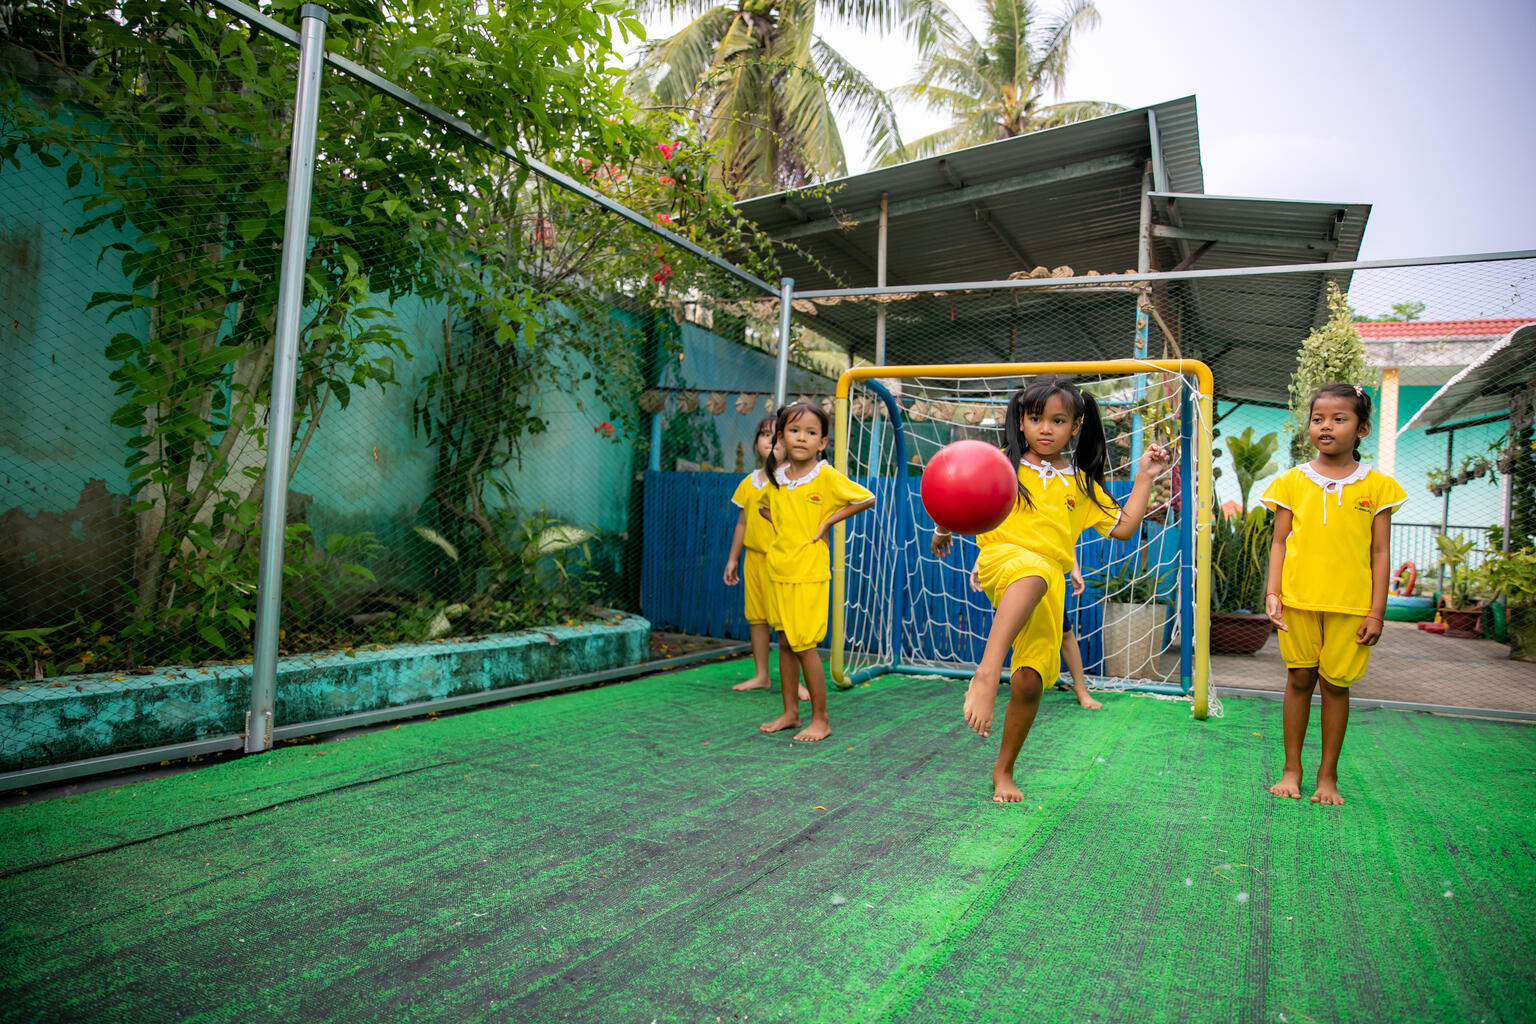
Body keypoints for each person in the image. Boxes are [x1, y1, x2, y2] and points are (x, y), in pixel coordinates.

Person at [932, 375, 1170, 802]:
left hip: (1045, 586)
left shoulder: (1079, 483)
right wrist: (943, 526)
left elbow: (1125, 526)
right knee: (1035, 568)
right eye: (1036, 418)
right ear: (1021, 421)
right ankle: (986, 674)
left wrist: (1145, 477)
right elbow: (961, 488)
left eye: (1058, 421)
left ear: (1075, 426)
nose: (1045, 428)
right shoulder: (1003, 464)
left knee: (1030, 681)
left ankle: (1003, 770)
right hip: (1001, 563)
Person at [1261, 383, 1405, 806]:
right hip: (1298, 601)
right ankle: (1292, 770)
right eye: (1318, 419)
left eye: (1339, 419)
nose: (1326, 427)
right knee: (1299, 678)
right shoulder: (1290, 482)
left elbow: (1380, 552)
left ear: (1361, 430)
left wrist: (1377, 612)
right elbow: (1280, 543)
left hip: (1352, 606)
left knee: (1336, 686)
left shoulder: (1379, 487)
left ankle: (1328, 776)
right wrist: (1273, 592)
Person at [753, 401, 875, 742]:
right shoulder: (776, 478)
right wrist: (785, 530)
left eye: (811, 432)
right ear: (781, 437)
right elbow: (764, 508)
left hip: (809, 573)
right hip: (779, 569)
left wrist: (826, 522)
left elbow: (866, 498)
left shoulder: (825, 475)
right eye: (794, 431)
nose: (802, 438)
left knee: (805, 645)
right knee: (786, 643)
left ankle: (820, 718)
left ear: (822, 442)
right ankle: (791, 713)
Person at [723, 416, 809, 701]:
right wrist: (733, 559)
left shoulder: (791, 482)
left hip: (782, 562)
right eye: (764, 434)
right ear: (756, 442)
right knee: (757, 619)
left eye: (776, 436)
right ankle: (761, 675)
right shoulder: (748, 482)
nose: (769, 441)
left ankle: (793, 681)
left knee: (785, 622)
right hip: (754, 561)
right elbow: (742, 524)